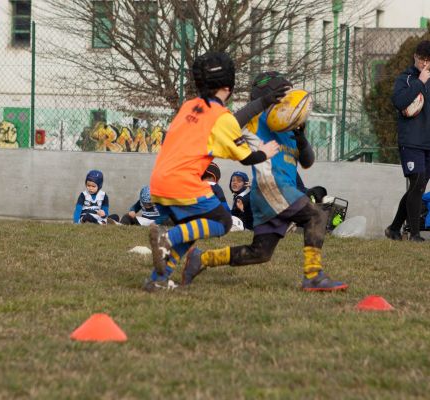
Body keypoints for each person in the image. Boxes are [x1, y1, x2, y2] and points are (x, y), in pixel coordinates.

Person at [181, 71, 348, 292]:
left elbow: (307, 162)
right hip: (271, 186)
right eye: (284, 95)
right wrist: (262, 103)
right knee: (317, 215)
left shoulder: (287, 127)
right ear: (271, 96)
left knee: (260, 253)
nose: (290, 102)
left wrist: (301, 138)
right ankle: (313, 276)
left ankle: (201, 259)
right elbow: (230, 123)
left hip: (278, 192)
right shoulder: (255, 120)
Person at [145, 52, 284, 291]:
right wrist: (265, 152)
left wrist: (262, 103)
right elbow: (246, 157)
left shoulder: (189, 106)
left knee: (191, 231)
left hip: (158, 181)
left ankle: (157, 280)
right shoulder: (222, 117)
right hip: (183, 182)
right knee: (222, 221)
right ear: (228, 87)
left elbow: (208, 131)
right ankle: (167, 238)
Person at [385, 40, 430, 242]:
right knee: (416, 182)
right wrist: (420, 81)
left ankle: (393, 229)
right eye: (421, 60)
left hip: (429, 143)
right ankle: (414, 234)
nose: (424, 64)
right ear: (415, 57)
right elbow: (399, 101)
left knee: (417, 188)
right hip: (410, 141)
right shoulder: (406, 79)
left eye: (428, 61)